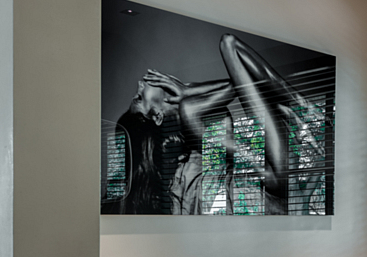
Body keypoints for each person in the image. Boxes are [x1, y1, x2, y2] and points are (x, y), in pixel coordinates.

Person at [111, 33, 322, 216]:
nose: (140, 84)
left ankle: (304, 110)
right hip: (274, 177)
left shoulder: (190, 113)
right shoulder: (189, 113)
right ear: (157, 116)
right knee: (228, 44)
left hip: (273, 178)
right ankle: (305, 109)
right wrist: (188, 91)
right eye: (139, 97)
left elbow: (241, 83)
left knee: (230, 45)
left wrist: (188, 89)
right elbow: (240, 84)